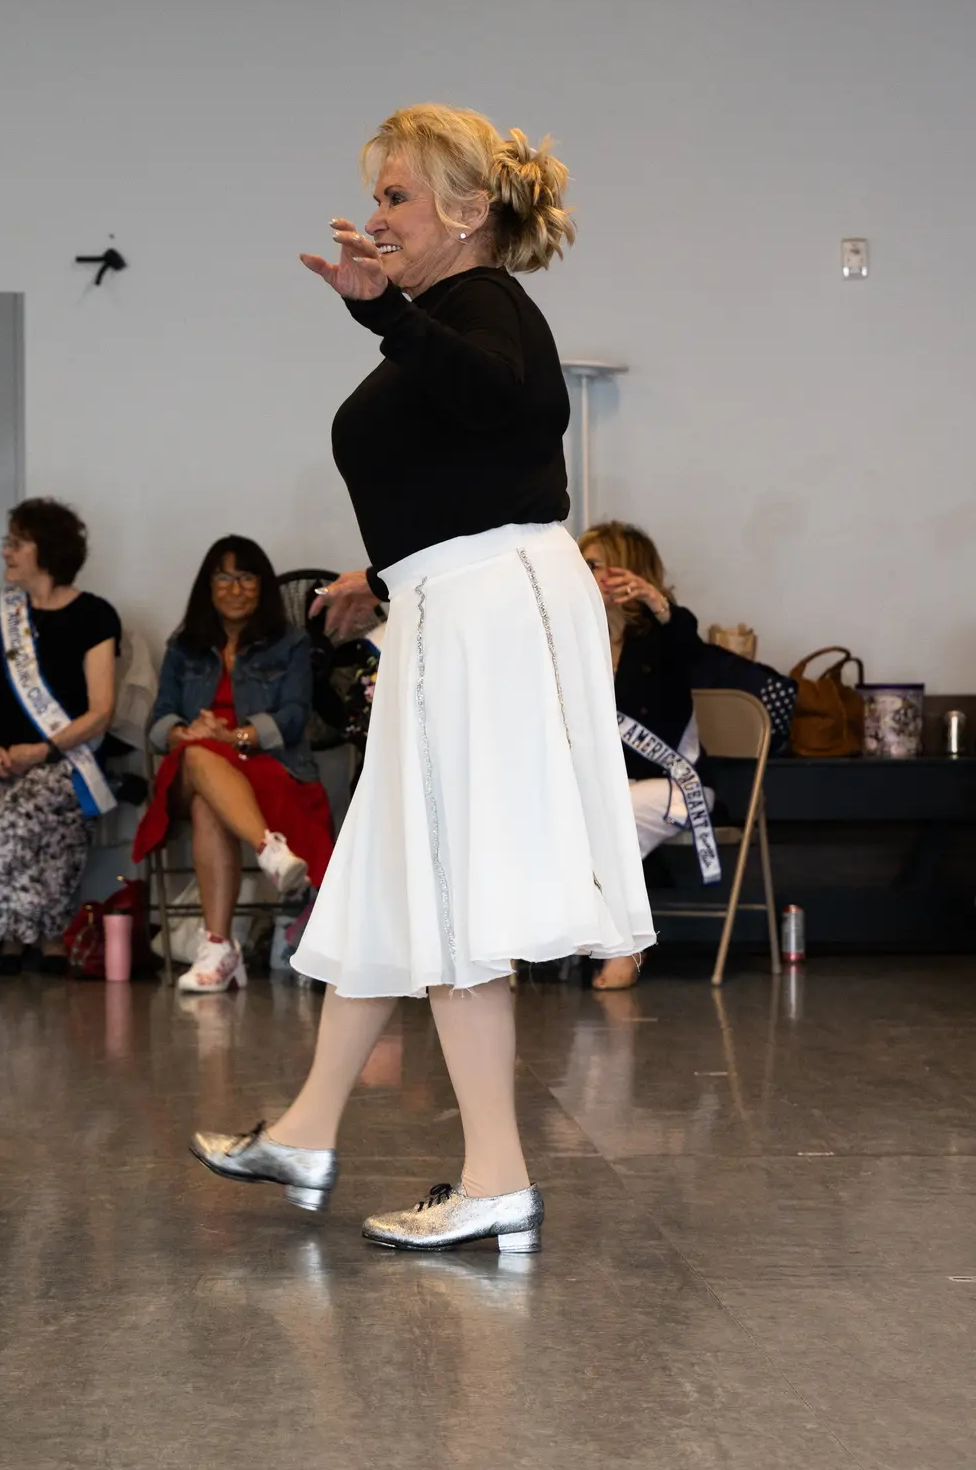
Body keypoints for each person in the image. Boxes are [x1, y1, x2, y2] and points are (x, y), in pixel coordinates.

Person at [190, 103, 652, 1253]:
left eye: (396, 196)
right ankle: (307, 1129)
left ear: (467, 210)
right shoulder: (443, 317)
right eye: (379, 196)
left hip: (485, 611)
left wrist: (383, 314)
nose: (378, 216)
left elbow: (516, 405)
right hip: (450, 603)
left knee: (450, 895)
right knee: (393, 880)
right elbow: (472, 468)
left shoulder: (485, 301)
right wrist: (378, 574)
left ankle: (496, 1178)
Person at [134, 535, 336, 994]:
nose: (235, 588)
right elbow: (159, 717)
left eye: (246, 577)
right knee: (197, 756)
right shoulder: (184, 646)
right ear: (208, 586)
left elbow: (295, 715)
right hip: (191, 765)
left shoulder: (290, 644)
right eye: (224, 578)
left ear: (262, 585)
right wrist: (183, 733)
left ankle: (218, 948)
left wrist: (238, 736)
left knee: (208, 804)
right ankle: (269, 849)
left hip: (264, 764)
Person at [0, 499, 120, 971]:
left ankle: (47, 932)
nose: (6, 552)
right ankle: (1, 934)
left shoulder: (95, 616)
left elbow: (101, 711)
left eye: (17, 544)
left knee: (29, 805)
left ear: (48, 551)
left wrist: (42, 750)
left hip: (62, 759)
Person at [579, 520, 713, 992]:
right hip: (602, 788)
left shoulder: (664, 637)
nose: (582, 574)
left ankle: (623, 945)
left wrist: (658, 603)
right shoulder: (580, 641)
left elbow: (695, 652)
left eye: (593, 565)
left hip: (673, 787)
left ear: (627, 571)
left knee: (614, 820)